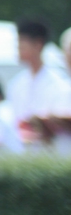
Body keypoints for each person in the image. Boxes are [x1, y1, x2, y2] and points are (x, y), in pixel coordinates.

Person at [5, 19, 71, 152]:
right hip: (23, 151)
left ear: (38, 44)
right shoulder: (16, 84)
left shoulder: (59, 83)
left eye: (22, 42)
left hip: (54, 152)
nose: (18, 47)